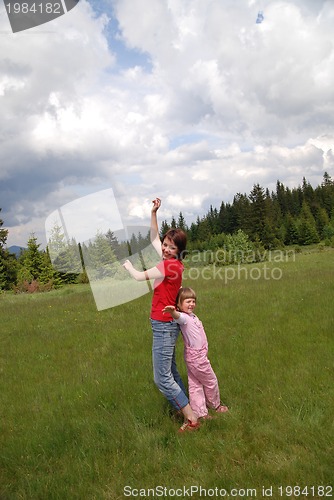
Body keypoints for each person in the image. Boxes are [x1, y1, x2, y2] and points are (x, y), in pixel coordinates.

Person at [122, 198, 199, 432]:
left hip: (164, 325)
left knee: (161, 378)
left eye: (171, 247)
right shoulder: (172, 262)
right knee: (171, 373)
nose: (165, 249)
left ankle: (191, 418)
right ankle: (186, 410)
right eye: (166, 244)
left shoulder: (169, 266)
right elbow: (154, 238)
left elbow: (137, 276)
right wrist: (153, 212)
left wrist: (127, 266)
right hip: (163, 323)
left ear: (179, 251)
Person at [163, 287, 229, 420]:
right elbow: (178, 317)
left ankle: (200, 413)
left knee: (195, 384)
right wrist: (173, 312)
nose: (191, 304)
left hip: (193, 357)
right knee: (211, 381)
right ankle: (215, 405)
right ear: (179, 304)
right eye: (188, 301)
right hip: (197, 358)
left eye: (193, 301)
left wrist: (179, 288)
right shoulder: (184, 318)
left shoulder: (191, 316)